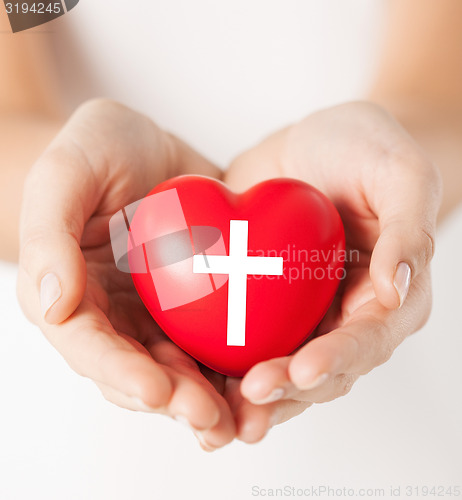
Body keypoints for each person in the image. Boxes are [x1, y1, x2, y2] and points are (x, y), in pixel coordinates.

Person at [1, 1, 461, 454]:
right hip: (71, 418)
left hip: (395, 399)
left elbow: (444, 97)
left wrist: (392, 175)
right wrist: (70, 208)